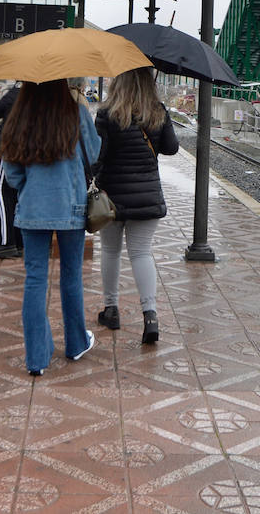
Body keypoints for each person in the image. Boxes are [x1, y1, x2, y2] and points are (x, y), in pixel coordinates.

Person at [0, 79, 100, 375]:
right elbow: (93, 154)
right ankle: (77, 343)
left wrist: (30, 188)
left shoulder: (19, 117)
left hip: (33, 208)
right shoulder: (76, 113)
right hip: (72, 205)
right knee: (71, 276)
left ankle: (37, 359)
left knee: (35, 279)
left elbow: (12, 173)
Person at [94, 67, 180, 344]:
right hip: (147, 195)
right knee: (142, 253)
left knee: (110, 250)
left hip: (112, 196)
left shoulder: (107, 113)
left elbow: (98, 155)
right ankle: (150, 315)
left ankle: (111, 309)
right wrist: (162, 119)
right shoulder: (157, 111)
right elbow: (171, 148)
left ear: (118, 81)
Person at [0, 83, 23, 259]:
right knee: (19, 196)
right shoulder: (41, 96)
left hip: (9, 150)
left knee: (0, 192)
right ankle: (21, 242)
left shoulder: (15, 93)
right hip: (32, 152)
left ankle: (6, 242)